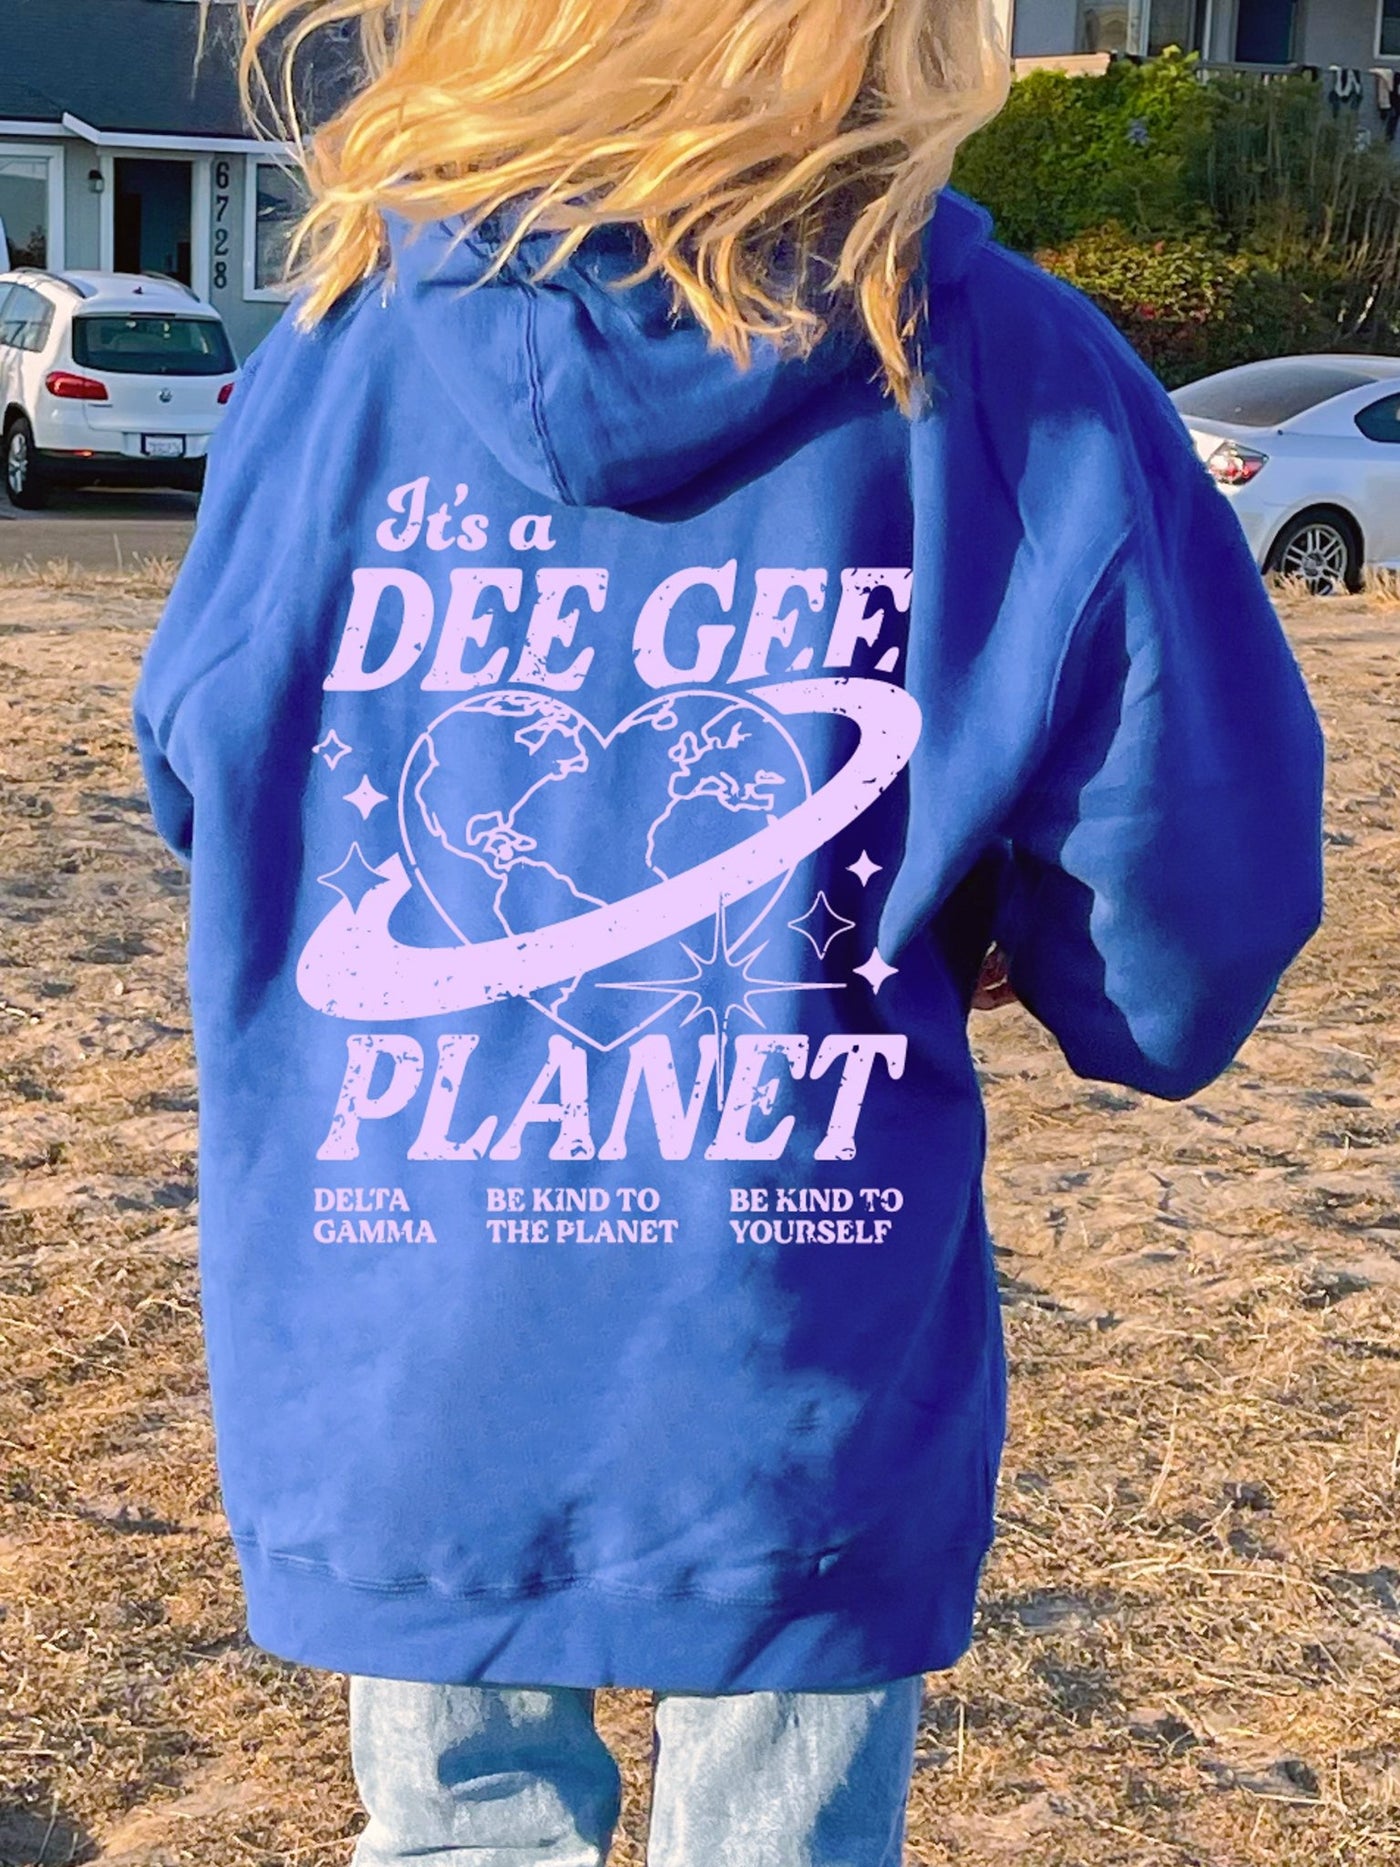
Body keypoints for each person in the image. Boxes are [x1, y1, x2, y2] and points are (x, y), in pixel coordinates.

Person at [133, 0, 1324, 1859]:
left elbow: (207, 771)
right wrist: (1034, 943)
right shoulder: (1009, 372)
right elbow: (1192, 897)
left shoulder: (335, 353)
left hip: (400, 1296)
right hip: (793, 1330)